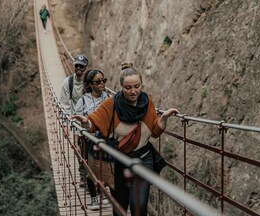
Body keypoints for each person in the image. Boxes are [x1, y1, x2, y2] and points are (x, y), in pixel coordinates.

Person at [72, 63, 179, 216]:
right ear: (121, 87)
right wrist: (86, 122)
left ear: (141, 84)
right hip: (118, 161)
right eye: (128, 88)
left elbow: (154, 132)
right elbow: (94, 122)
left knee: (139, 207)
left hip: (143, 159)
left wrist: (163, 119)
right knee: (120, 208)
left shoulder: (147, 102)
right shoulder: (112, 104)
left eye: (137, 86)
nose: (133, 91)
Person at [74, 68, 110, 210]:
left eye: (103, 80)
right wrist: (76, 142)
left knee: (103, 167)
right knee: (90, 169)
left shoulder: (108, 98)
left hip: (103, 139)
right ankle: (94, 198)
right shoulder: (82, 101)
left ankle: (102, 194)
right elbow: (77, 124)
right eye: (98, 81)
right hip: (87, 140)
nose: (102, 83)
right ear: (90, 84)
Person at [59, 54, 89, 184]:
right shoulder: (68, 83)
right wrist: (65, 124)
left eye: (81, 66)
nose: (79, 68)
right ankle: (83, 175)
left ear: (85, 67)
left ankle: (94, 177)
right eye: (77, 65)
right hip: (77, 120)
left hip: (91, 118)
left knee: (92, 148)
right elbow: (64, 105)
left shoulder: (90, 81)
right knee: (80, 148)